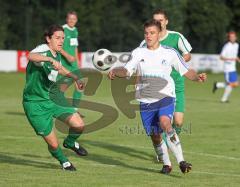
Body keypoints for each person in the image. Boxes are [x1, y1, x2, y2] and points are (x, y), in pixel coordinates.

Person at [108, 19, 206, 174]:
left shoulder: (170, 52)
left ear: (159, 34)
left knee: (166, 123)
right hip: (145, 100)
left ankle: (181, 161)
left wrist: (196, 77)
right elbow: (126, 71)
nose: (148, 36)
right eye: (146, 33)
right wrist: (115, 71)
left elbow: (186, 70)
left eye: (152, 33)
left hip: (165, 96)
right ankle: (167, 164)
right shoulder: (138, 52)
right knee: (155, 135)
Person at [22, 25, 88, 171]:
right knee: (52, 144)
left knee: (79, 125)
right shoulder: (43, 50)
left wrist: (75, 77)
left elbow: (60, 68)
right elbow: (31, 56)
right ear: (48, 38)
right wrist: (48, 59)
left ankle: (70, 142)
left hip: (52, 98)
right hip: (35, 104)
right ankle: (64, 161)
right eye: (57, 38)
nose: (61, 41)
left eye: (63, 38)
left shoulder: (56, 53)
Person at [139, 9, 192, 162]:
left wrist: (178, 60)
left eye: (161, 20)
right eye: (155, 20)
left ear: (166, 21)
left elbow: (188, 54)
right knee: (160, 123)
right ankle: (164, 149)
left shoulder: (176, 37)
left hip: (177, 84)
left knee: (179, 122)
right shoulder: (147, 40)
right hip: (157, 90)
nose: (158, 22)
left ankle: (172, 142)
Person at [60, 11, 82, 109]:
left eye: (74, 19)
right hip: (64, 63)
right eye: (70, 18)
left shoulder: (75, 30)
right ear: (66, 19)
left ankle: (74, 109)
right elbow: (57, 46)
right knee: (62, 88)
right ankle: (53, 107)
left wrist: (77, 61)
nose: (71, 21)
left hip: (74, 65)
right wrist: (67, 56)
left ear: (76, 20)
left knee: (80, 85)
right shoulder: (62, 30)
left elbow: (75, 47)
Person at [212, 31, 240, 102]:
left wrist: (236, 58)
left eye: (234, 37)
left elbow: (234, 55)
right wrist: (231, 59)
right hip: (227, 69)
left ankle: (218, 85)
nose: (233, 38)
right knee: (231, 84)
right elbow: (221, 57)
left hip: (233, 68)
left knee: (235, 84)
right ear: (229, 38)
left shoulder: (236, 45)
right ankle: (223, 99)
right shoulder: (227, 46)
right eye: (231, 37)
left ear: (236, 37)